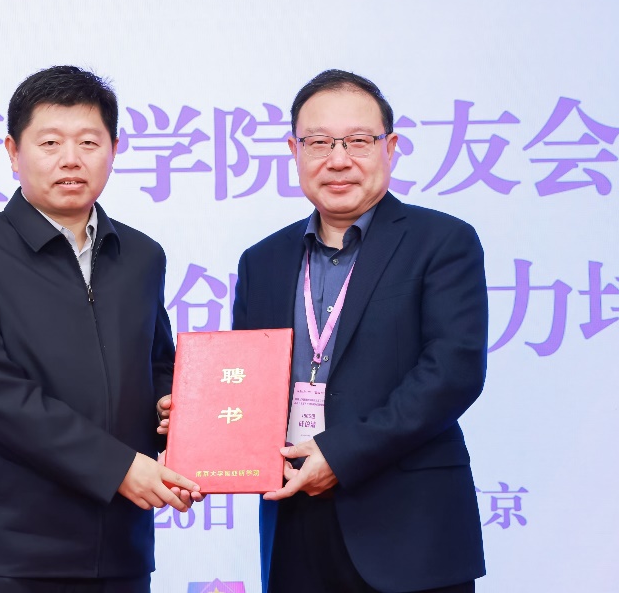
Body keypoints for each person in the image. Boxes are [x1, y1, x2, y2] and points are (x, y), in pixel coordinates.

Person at [159, 69, 487, 592]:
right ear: (294, 151)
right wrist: (197, 424)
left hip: (410, 530)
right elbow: (247, 382)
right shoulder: (262, 260)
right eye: (318, 142)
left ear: (390, 148)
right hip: (295, 522)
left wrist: (341, 453)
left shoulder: (443, 242)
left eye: (358, 141)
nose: (338, 159)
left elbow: (452, 373)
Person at [0, 65, 200, 593]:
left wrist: (174, 409)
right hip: (9, 551)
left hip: (120, 546)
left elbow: (156, 363)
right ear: (13, 152)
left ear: (114, 150)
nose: (71, 159)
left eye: (89, 142)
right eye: (50, 142)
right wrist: (119, 467)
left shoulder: (141, 255)